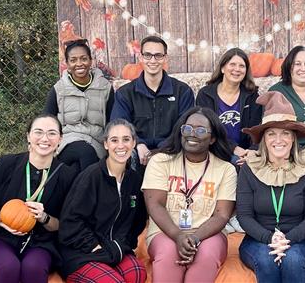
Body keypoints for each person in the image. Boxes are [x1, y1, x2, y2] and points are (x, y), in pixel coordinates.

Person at [142, 107, 237, 283]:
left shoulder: (226, 169)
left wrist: (194, 238)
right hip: (165, 231)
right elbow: (155, 205)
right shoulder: (160, 161)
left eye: (201, 130)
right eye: (187, 129)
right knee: (168, 253)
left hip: (209, 234)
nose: (192, 134)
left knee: (206, 255)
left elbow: (222, 215)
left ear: (213, 138)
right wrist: (178, 236)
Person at [237, 91, 305, 283]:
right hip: (257, 239)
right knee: (267, 261)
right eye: (271, 134)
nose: (278, 140)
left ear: (293, 138)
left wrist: (287, 239)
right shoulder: (249, 169)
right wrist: (270, 239)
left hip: (298, 240)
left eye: (285, 133)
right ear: (264, 139)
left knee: (292, 260)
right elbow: (244, 216)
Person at [0, 114, 77, 283]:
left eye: (52, 133)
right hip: (1, 236)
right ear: (28, 136)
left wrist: (44, 218)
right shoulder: (6, 164)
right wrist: (0, 220)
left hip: (41, 241)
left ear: (60, 139)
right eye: (38, 132)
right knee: (7, 266)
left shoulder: (67, 175)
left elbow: (64, 224)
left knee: (34, 267)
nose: (45, 138)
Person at [59, 119, 147, 283]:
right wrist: (94, 245)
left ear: (134, 143)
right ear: (105, 144)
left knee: (137, 273)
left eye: (126, 139)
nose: (121, 146)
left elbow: (138, 221)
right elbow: (71, 222)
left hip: (114, 249)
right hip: (83, 252)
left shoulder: (134, 180)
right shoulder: (91, 177)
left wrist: (122, 245)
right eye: (114, 140)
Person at [111, 36, 195, 167]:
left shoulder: (182, 91)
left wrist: (162, 150)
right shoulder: (125, 93)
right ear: (140, 57)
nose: (153, 60)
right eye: (148, 55)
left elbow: (185, 128)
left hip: (172, 150)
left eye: (158, 56)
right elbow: (119, 126)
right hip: (136, 150)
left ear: (165, 58)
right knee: (122, 156)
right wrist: (138, 144)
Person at [45, 38, 114, 170]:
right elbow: (47, 121)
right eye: (73, 60)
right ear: (67, 63)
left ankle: (80, 190)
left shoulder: (105, 88)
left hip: (97, 141)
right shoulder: (59, 89)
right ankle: (90, 190)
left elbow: (112, 121)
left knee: (77, 169)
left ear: (90, 61)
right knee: (85, 153)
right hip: (67, 142)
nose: (79, 64)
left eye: (83, 59)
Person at [196, 47, 262, 165]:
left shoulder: (252, 96)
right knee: (235, 162)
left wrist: (252, 152)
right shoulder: (206, 94)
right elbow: (208, 130)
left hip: (244, 151)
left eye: (242, 66)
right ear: (222, 68)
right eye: (232, 64)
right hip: (215, 150)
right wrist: (233, 148)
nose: (237, 69)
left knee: (250, 164)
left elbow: (256, 130)